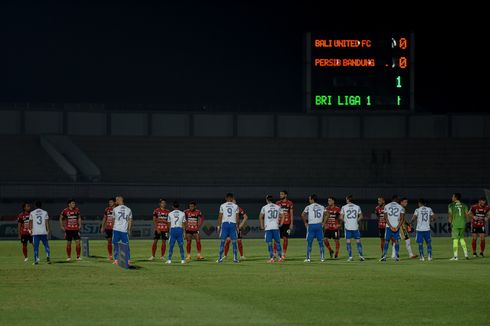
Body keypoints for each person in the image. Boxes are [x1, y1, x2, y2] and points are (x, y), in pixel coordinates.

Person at [301, 194, 326, 262]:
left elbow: (302, 214)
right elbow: (328, 214)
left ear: (312, 199)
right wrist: (324, 222)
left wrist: (305, 222)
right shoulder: (321, 206)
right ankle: (322, 258)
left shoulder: (308, 207)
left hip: (311, 226)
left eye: (309, 199)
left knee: (309, 242)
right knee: (321, 242)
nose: (309, 200)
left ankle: (308, 258)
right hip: (319, 225)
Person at [259, 195, 284, 263]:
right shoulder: (277, 207)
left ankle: (271, 258)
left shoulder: (264, 207)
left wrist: (261, 226)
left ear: (267, 200)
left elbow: (261, 217)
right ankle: (280, 258)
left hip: (268, 228)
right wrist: (281, 223)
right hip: (276, 227)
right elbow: (283, 215)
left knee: (269, 243)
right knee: (278, 243)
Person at [380, 195, 405, 262]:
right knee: (396, 241)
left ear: (392, 199)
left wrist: (390, 226)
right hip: (396, 226)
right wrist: (397, 227)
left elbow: (385, 218)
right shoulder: (400, 207)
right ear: (397, 200)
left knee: (387, 241)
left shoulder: (386, 206)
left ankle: (384, 256)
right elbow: (402, 219)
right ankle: (396, 256)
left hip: (389, 227)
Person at [216, 193, 240, 263]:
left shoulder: (222, 205)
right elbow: (237, 217)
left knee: (222, 242)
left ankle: (219, 258)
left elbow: (220, 216)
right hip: (232, 224)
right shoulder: (236, 206)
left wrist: (218, 226)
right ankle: (235, 258)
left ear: (226, 198)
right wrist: (237, 227)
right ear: (232, 198)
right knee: (234, 242)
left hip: (225, 224)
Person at [340, 195, 364, 262]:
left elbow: (341, 217)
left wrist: (345, 221)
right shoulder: (357, 207)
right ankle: (361, 256)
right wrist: (356, 220)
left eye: (346, 199)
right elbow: (361, 216)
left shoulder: (344, 207)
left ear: (348, 200)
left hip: (348, 227)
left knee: (348, 242)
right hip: (355, 227)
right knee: (358, 241)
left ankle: (350, 257)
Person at [112, 196, 133, 265]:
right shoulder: (128, 209)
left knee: (115, 245)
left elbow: (113, 220)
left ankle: (116, 260)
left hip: (116, 229)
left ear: (119, 200)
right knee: (126, 245)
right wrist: (129, 229)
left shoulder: (115, 209)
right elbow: (130, 220)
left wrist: (113, 227)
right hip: (124, 230)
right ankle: (128, 260)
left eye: (116, 200)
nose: (115, 202)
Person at [448, 193, 469, 260]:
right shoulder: (464, 205)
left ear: (455, 198)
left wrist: (449, 223)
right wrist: (468, 223)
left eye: (453, 196)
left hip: (455, 224)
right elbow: (467, 215)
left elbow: (450, 215)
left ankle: (455, 256)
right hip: (463, 224)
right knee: (462, 238)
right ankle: (466, 254)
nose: (452, 198)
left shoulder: (451, 205)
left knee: (455, 239)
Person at [29, 201, 51, 265]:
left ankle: (36, 261)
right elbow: (46, 222)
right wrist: (48, 230)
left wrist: (30, 230)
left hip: (35, 232)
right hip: (43, 231)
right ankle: (48, 257)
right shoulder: (45, 212)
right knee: (46, 245)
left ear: (35, 206)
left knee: (36, 247)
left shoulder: (32, 213)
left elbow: (30, 222)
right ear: (41, 205)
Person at [275, 190, 294, 259]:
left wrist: (291, 223)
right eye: (280, 194)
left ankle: (283, 253)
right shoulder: (277, 203)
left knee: (285, 238)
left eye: (282, 194)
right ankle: (274, 253)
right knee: (276, 238)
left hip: (286, 223)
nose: (280, 195)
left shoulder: (290, 203)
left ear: (286, 195)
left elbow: (291, 214)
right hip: (279, 223)